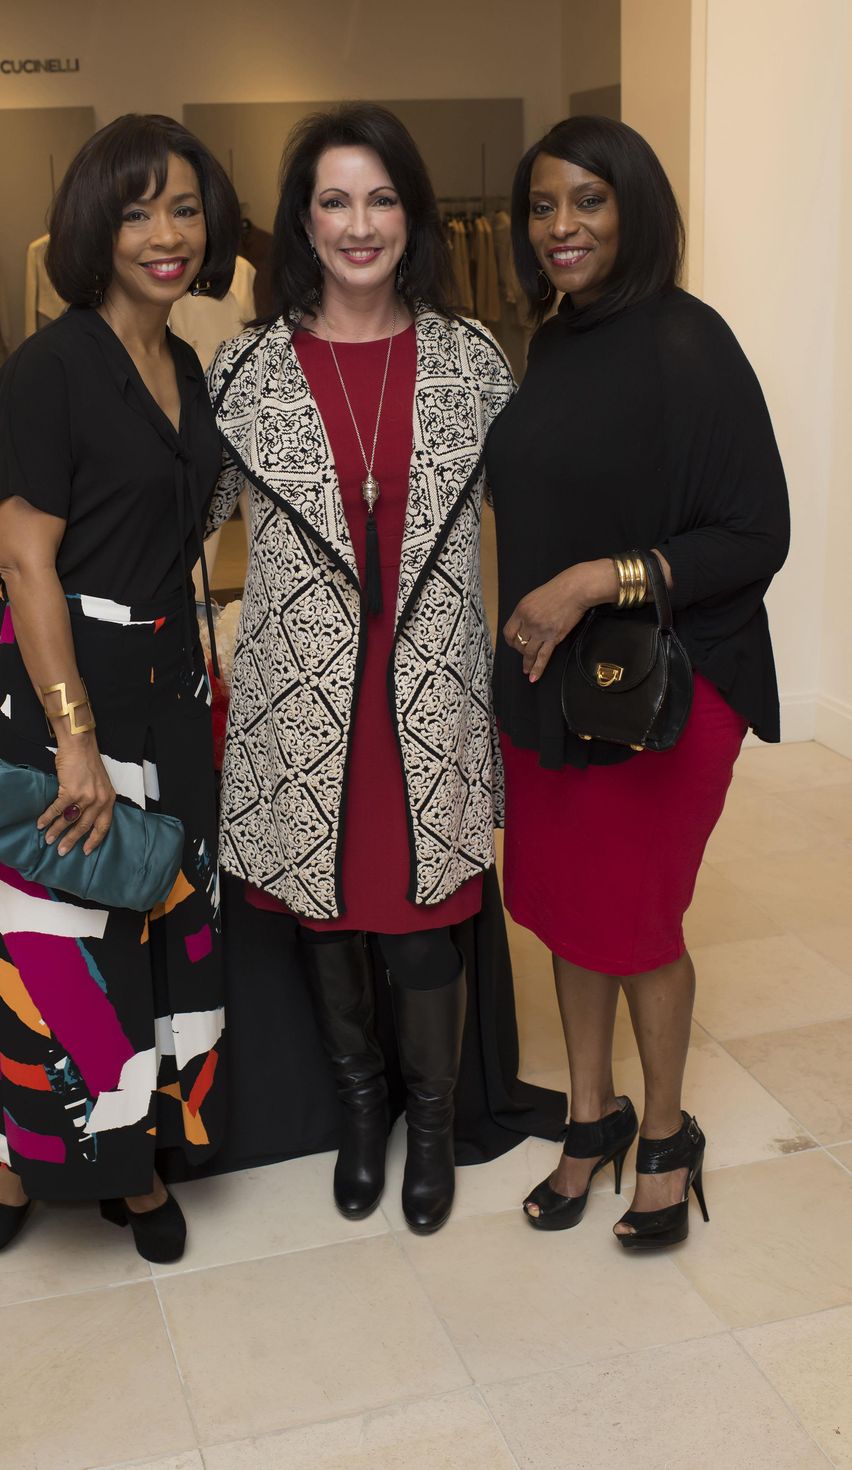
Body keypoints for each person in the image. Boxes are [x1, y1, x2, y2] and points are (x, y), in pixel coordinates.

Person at [206, 104, 517, 1235]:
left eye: (380, 198)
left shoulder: (468, 358)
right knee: (325, 918)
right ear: (301, 219)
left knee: (420, 915)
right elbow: (177, 520)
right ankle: (359, 1107)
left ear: (410, 215)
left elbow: (543, 502)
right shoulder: (243, 371)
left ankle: (429, 1123)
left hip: (426, 690)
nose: (358, 224)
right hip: (304, 697)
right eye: (333, 200)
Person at [487, 115, 789, 1248]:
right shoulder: (555, 339)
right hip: (549, 689)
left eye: (589, 201)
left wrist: (589, 583)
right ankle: (590, 1116)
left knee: (636, 920)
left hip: (661, 690)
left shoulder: (686, 341)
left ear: (635, 209)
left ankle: (663, 1134)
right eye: (543, 205)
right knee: (568, 917)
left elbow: (755, 531)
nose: (561, 226)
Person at [0, 113, 239, 1261]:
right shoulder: (50, 367)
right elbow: (26, 557)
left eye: (183, 207)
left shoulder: (183, 364)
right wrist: (72, 739)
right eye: (136, 212)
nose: (165, 234)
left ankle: (134, 1158)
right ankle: (16, 1154)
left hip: (166, 678)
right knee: (59, 943)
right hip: (56, 676)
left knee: (158, 918)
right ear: (94, 226)